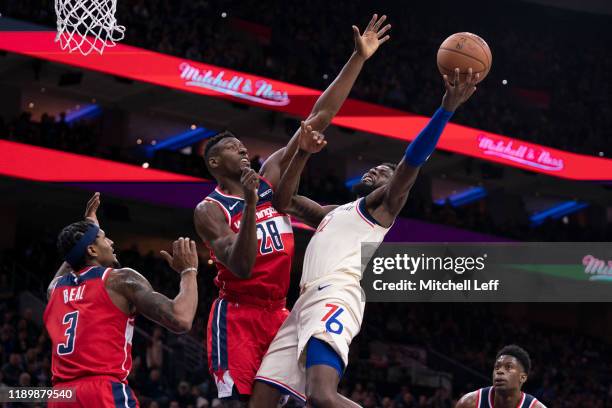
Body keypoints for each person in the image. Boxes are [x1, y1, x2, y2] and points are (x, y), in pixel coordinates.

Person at [250, 67, 480, 407]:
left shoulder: (385, 208)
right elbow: (284, 201)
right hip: (301, 303)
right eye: (375, 168)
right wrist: (302, 153)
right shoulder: (335, 212)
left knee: (322, 396)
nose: (376, 170)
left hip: (336, 293)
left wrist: (446, 109)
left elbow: (411, 161)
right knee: (262, 400)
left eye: (385, 171)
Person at [193, 14, 391, 404]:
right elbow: (244, 265)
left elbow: (318, 116)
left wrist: (358, 59)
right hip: (239, 316)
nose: (241, 149)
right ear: (214, 163)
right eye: (231, 148)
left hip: (281, 311)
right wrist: (251, 204)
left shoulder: (269, 178)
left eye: (241, 145)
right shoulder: (210, 209)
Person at [45, 192, 199, 408]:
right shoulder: (120, 280)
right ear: (91, 249)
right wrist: (188, 271)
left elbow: (71, 261)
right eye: (103, 237)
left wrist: (89, 228)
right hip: (102, 392)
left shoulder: (55, 289)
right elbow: (181, 319)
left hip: (61, 396)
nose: (111, 241)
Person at [456, 345, 547, 408]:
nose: (500, 371)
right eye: (497, 367)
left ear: (523, 377)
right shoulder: (469, 403)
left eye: (508, 367)